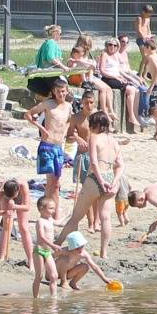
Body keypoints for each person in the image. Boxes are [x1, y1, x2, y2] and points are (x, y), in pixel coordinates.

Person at [57, 111, 124, 258]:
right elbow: (120, 165)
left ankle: (57, 244)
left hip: (95, 178)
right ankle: (104, 252)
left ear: (96, 125)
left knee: (76, 216)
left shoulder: (94, 138)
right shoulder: (114, 141)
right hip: (111, 178)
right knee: (105, 217)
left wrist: (100, 181)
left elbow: (93, 162)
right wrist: (114, 181)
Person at [27, 77, 75, 203]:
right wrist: (41, 128)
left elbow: (69, 121)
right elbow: (28, 114)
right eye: (58, 91)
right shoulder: (48, 104)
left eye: (63, 91)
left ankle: (53, 210)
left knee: (56, 182)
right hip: (47, 145)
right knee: (52, 182)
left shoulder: (69, 106)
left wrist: (65, 132)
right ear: (54, 91)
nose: (61, 94)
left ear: (67, 91)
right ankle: (49, 209)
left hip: (59, 147)